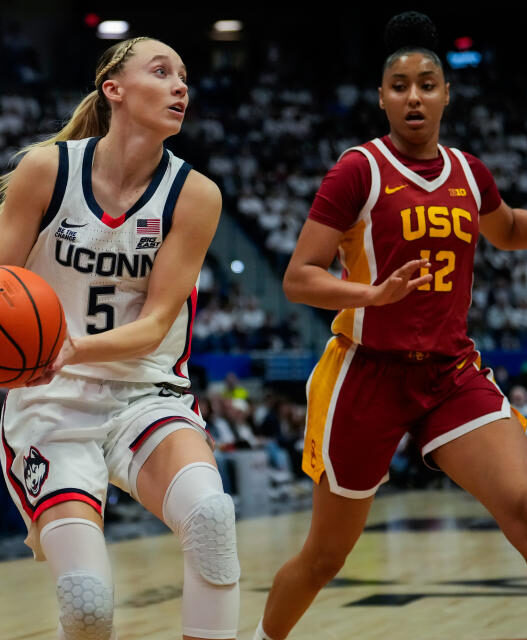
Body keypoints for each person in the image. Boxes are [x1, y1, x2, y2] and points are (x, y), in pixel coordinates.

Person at [253, 11, 527, 640]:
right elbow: (300, 276)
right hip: (367, 376)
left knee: (522, 503)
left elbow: (507, 229)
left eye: (427, 84)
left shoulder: (469, 172)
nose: (414, 96)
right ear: (381, 97)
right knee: (326, 558)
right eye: (399, 85)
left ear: (446, 94)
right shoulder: (359, 171)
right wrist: (371, 294)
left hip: (451, 373)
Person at [0, 37, 239, 640]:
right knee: (88, 606)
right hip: (51, 401)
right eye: (162, 72)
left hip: (147, 393)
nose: (181, 86)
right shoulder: (47, 171)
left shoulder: (196, 194)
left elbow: (157, 324)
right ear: (115, 89)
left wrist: (73, 346)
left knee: (211, 518)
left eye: (184, 77)